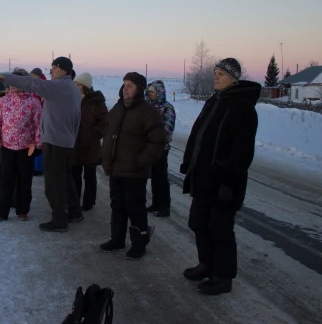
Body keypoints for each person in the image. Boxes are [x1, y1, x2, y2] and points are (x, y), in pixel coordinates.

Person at [180, 58, 260, 295]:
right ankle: (206, 265)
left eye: (221, 74)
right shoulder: (215, 100)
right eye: (215, 73)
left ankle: (223, 277)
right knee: (198, 222)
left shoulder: (242, 106)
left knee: (220, 229)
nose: (216, 77)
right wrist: (189, 162)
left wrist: (229, 182)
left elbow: (243, 152)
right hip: (203, 179)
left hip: (223, 183)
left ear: (234, 78)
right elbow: (199, 134)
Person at [0, 56, 82, 233]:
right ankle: (74, 212)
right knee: (65, 178)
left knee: (54, 182)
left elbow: (32, 84)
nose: (51, 71)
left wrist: (5, 77)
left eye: (54, 68)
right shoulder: (72, 88)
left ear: (64, 71)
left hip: (56, 142)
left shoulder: (60, 86)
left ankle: (59, 220)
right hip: (65, 141)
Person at [100, 72, 166, 259]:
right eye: (124, 84)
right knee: (117, 207)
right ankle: (117, 239)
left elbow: (158, 142)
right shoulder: (117, 109)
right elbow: (108, 132)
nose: (125, 88)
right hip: (117, 170)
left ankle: (139, 244)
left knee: (135, 208)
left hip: (135, 172)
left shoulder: (148, 112)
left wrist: (141, 162)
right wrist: (105, 157)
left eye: (130, 85)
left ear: (139, 89)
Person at [0, 68, 42, 222]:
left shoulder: (33, 102)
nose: (11, 84)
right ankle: (1, 211)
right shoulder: (3, 101)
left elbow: (38, 124)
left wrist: (38, 144)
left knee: (25, 179)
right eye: (9, 81)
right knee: (6, 179)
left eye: (15, 81)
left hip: (27, 148)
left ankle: (22, 209)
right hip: (7, 147)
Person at [72, 72, 108, 211]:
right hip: (74, 143)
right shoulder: (72, 98)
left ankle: (88, 202)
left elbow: (105, 121)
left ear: (85, 86)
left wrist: (95, 133)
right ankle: (74, 201)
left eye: (79, 84)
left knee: (90, 176)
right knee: (74, 175)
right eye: (75, 84)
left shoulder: (97, 101)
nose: (76, 86)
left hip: (90, 145)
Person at [145, 80, 176, 217]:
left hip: (162, 148)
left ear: (159, 93)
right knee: (154, 177)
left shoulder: (167, 108)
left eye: (153, 92)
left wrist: (151, 135)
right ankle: (156, 203)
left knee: (161, 177)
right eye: (149, 92)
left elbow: (167, 129)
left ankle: (165, 206)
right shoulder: (148, 107)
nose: (151, 94)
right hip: (150, 147)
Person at [29, 67, 47, 176]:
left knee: (39, 143)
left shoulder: (43, 86)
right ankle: (37, 166)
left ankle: (39, 167)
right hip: (37, 117)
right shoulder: (37, 85)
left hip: (41, 118)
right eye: (31, 76)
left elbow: (43, 103)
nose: (32, 78)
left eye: (34, 76)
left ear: (39, 76)